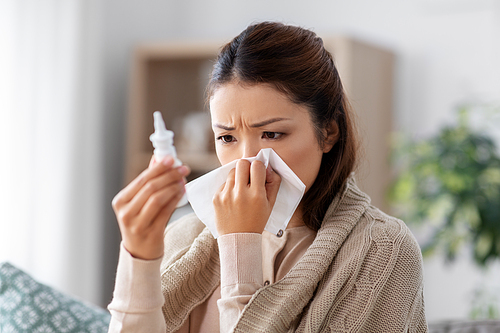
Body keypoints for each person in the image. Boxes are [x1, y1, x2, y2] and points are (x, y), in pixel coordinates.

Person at [107, 21, 428, 332]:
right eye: (227, 138)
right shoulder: (184, 236)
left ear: (328, 132)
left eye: (272, 134)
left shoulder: (382, 251)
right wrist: (140, 258)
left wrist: (240, 245)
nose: (248, 160)